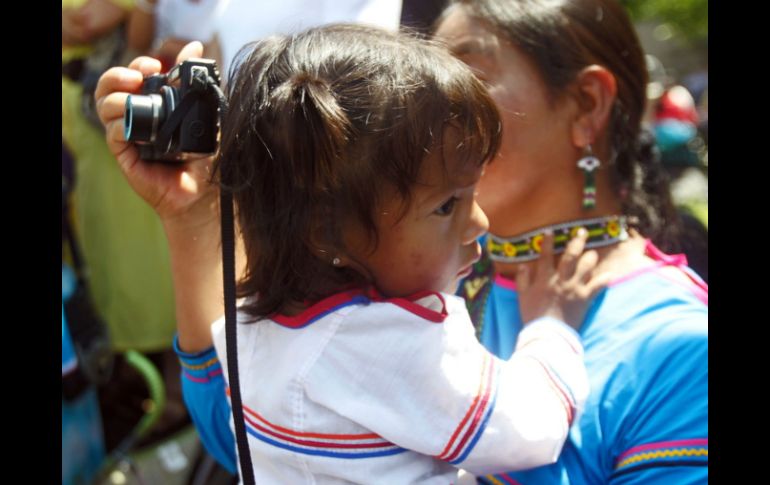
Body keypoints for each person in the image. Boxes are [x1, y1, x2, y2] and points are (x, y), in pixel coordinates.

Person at [95, 25, 611, 482]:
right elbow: (530, 427)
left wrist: (191, 213)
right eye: (447, 204)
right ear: (324, 229)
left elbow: (218, 413)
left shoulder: (258, 323)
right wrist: (552, 325)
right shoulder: (396, 348)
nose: (479, 222)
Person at [433, 1, 708, 483]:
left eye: (465, 78)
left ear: (586, 104)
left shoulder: (680, 350)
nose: (422, 114)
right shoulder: (414, 286)